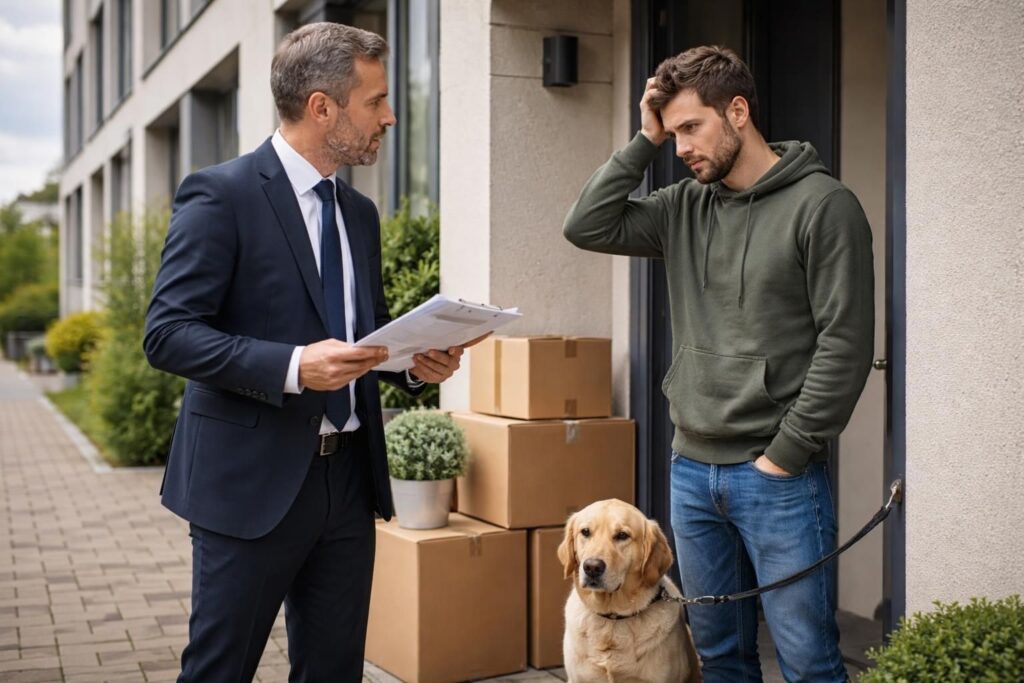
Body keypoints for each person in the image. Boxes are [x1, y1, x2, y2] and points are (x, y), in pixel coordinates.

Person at [144, 22, 468, 682]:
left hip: (346, 484)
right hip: (249, 486)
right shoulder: (220, 195)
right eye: (376, 100)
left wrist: (412, 361)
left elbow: (364, 330)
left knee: (333, 671)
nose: (391, 115)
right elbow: (169, 332)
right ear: (323, 106)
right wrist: (293, 366)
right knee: (219, 670)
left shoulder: (358, 214)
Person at [563, 45, 874, 682]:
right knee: (723, 659)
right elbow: (586, 225)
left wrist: (786, 452)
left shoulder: (823, 206)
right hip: (692, 471)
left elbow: (845, 343)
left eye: (690, 128)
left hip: (778, 477)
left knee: (809, 661)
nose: (681, 148)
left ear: (738, 111)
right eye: (671, 132)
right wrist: (644, 138)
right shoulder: (683, 207)